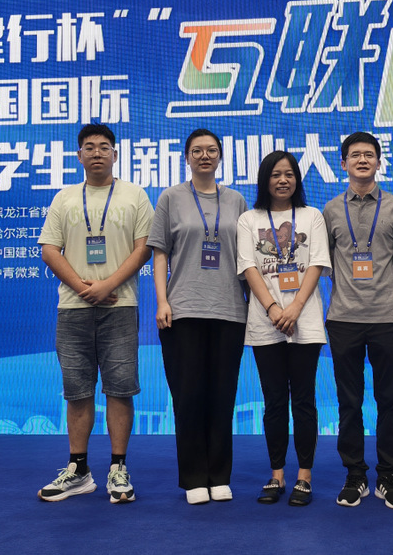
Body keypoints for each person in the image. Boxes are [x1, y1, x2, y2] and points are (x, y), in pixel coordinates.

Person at [36, 123, 154, 504]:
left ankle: (118, 468)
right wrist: (83, 287)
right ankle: (79, 469)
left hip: (120, 305)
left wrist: (107, 285)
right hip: (73, 308)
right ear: (79, 156)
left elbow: (144, 248)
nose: (97, 153)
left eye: (104, 147)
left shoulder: (135, 195)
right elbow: (49, 249)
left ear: (115, 154)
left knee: (120, 388)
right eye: (90, 147)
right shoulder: (65, 198)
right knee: (77, 390)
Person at [148, 129, 249, 505]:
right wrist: (162, 300)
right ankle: (193, 477)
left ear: (220, 156)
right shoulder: (171, 197)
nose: (204, 156)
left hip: (229, 310)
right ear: (186, 157)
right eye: (197, 151)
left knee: (222, 396)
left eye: (211, 150)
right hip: (183, 310)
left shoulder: (236, 200)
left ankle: (219, 475)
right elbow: (160, 253)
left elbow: (246, 258)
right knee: (188, 396)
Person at [236, 151, 330, 507]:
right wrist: (274, 308)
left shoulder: (312, 216)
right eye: (276, 174)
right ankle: (277, 475)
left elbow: (317, 263)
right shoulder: (249, 219)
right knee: (274, 401)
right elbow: (249, 267)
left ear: (297, 179)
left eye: (289, 174)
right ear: (265, 179)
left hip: (305, 321)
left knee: (304, 400)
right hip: (265, 323)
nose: (283, 180)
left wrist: (294, 308)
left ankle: (304, 477)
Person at [323, 132, 393, 509]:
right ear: (343, 163)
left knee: (389, 401)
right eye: (355, 155)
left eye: (369, 155)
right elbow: (321, 264)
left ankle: (388, 476)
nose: (362, 160)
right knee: (349, 402)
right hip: (343, 319)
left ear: (378, 162)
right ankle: (355, 475)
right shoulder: (329, 211)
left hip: (388, 317)